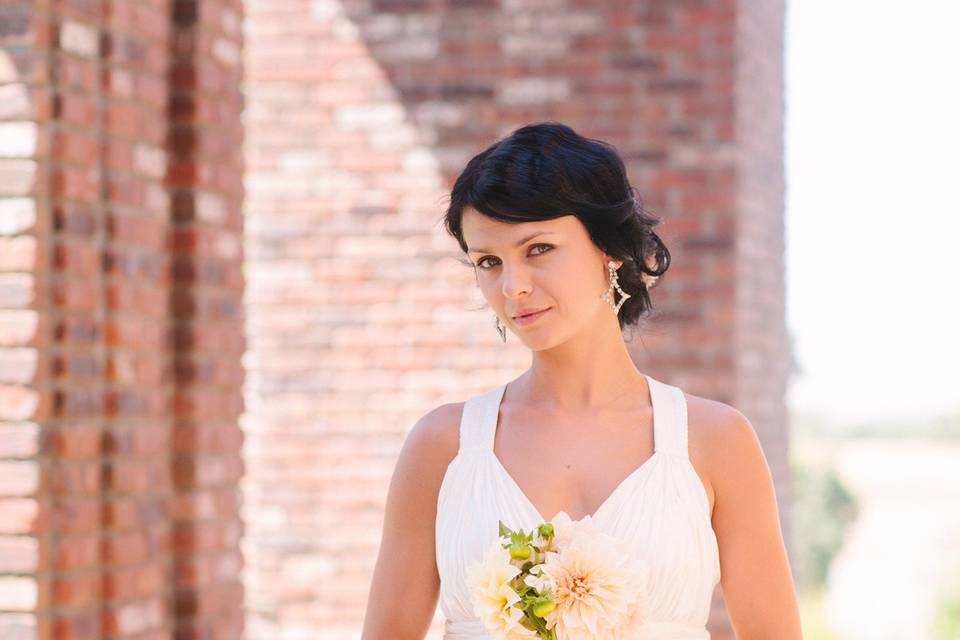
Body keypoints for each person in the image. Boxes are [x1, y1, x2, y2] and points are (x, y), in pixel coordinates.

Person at [361, 122, 802, 639]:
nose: (513, 286)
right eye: (488, 261)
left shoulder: (716, 440)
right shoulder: (443, 447)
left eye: (539, 249)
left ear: (609, 249)